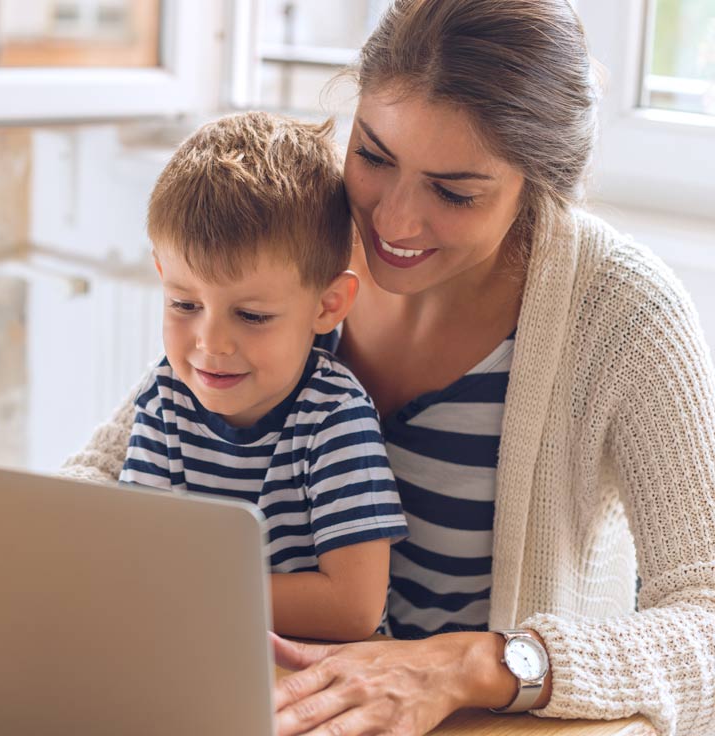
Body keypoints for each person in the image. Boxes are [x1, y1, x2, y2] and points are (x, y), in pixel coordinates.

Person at [62, 1, 715, 734]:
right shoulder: (303, 235)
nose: (392, 224)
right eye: (373, 156)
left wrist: (477, 665)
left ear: (539, 183)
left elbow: (706, 623)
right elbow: (98, 479)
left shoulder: (624, 316)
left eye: (454, 191)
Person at [88, 110, 408, 643]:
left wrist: (191, 594)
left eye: (253, 316)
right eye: (184, 304)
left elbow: (355, 607)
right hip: (194, 652)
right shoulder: (165, 397)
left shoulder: (334, 416)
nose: (210, 344)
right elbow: (136, 557)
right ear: (161, 276)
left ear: (328, 306)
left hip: (315, 678)